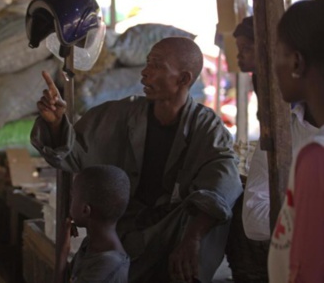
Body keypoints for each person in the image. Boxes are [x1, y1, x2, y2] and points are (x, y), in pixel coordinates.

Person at [32, 37, 242, 283]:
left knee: (208, 216)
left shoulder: (207, 128)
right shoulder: (120, 115)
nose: (144, 73)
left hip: (175, 235)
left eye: (156, 66)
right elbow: (73, 153)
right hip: (124, 232)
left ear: (183, 79)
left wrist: (192, 238)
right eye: (147, 63)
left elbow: (223, 181)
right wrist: (56, 123)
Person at [268, 0, 324, 282]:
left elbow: (306, 272)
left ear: (297, 62)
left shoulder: (316, 157)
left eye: (276, 51)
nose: (272, 63)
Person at [59, 165, 130, 283]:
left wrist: (62, 252)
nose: (70, 202)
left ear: (85, 210)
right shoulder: (90, 243)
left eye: (73, 197)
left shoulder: (109, 265)